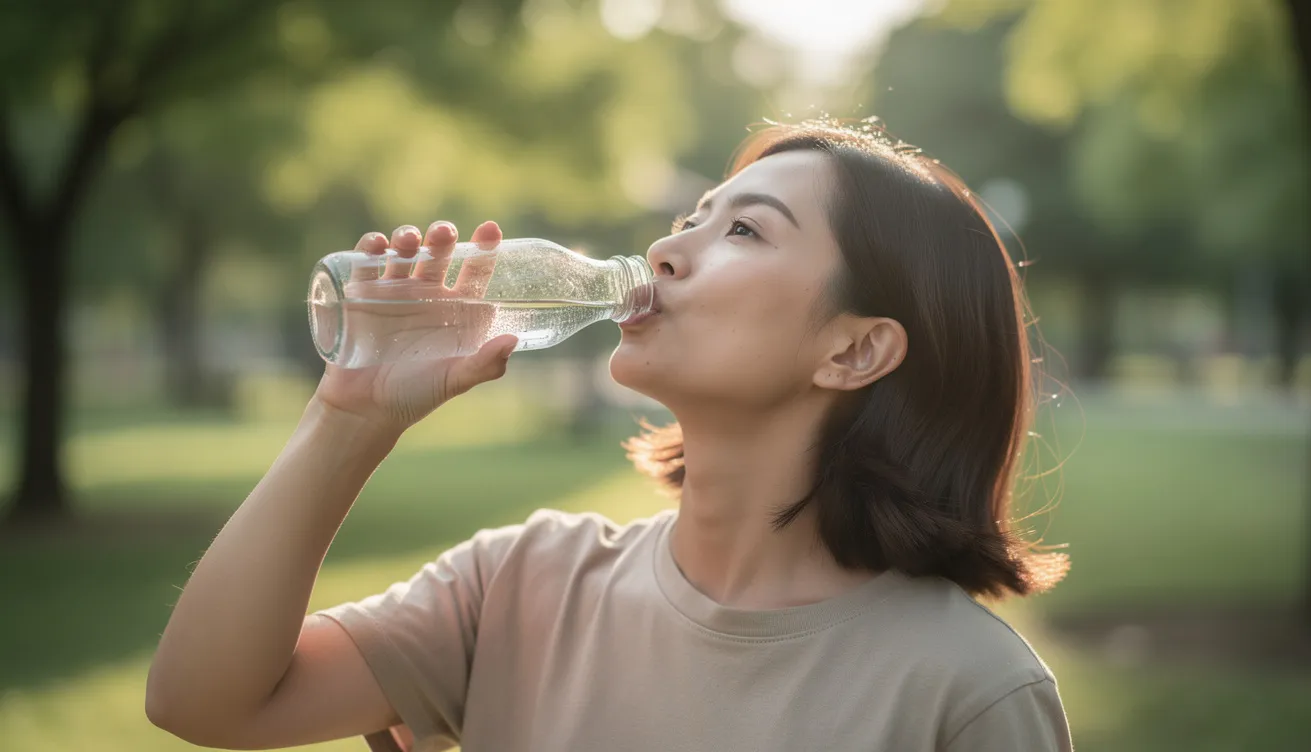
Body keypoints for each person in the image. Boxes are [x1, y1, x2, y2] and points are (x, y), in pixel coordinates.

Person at [146, 121, 1073, 751]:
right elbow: (201, 700)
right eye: (689, 219)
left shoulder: (969, 692)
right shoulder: (522, 584)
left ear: (856, 348)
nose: (667, 251)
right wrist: (346, 419)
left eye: (745, 231)